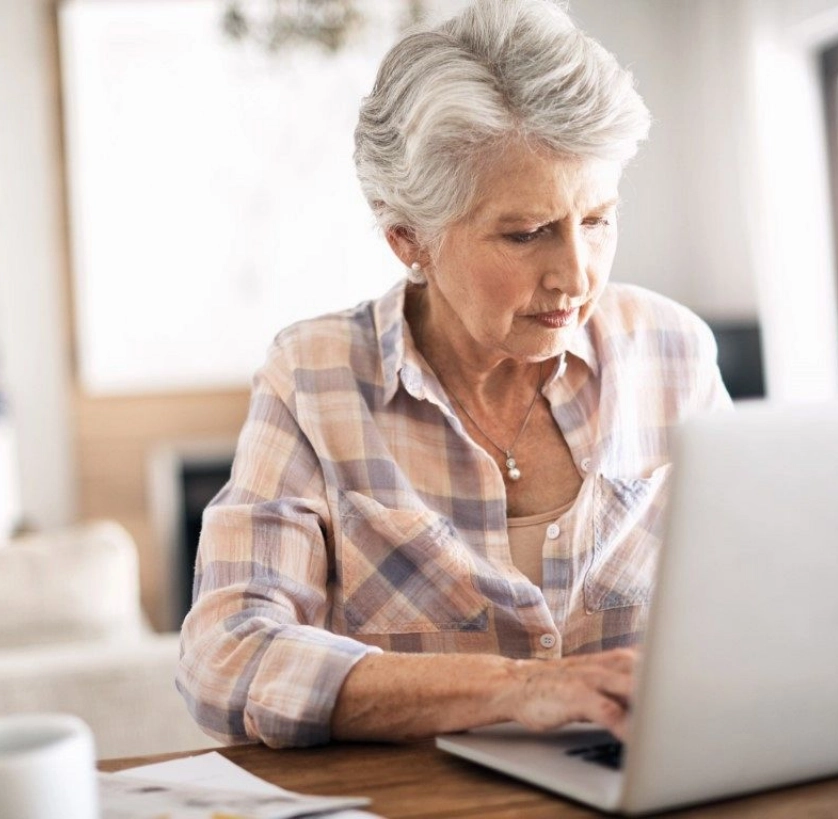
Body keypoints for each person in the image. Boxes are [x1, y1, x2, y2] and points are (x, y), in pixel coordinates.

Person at [176, 0, 730, 749]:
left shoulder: (674, 352)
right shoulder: (313, 378)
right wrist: (518, 688)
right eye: (527, 232)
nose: (576, 275)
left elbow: (756, 596)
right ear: (411, 240)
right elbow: (226, 652)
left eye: (598, 220)